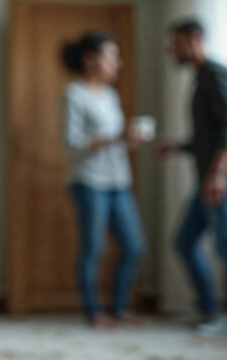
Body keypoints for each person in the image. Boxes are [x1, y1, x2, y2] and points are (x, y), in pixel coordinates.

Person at [156, 18, 227, 337]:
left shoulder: (215, 74)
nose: (171, 50)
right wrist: (178, 147)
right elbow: (207, 139)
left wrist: (219, 174)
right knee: (184, 242)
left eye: (175, 42)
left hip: (225, 176)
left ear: (193, 39)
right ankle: (210, 310)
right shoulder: (199, 80)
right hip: (208, 175)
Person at [61, 32, 147, 328]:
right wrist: (116, 138)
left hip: (119, 181)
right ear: (90, 59)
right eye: (112, 56)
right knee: (93, 249)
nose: (118, 63)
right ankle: (94, 312)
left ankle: (120, 307)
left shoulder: (111, 95)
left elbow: (114, 139)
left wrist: (128, 140)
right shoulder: (74, 94)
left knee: (134, 246)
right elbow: (72, 143)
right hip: (88, 182)